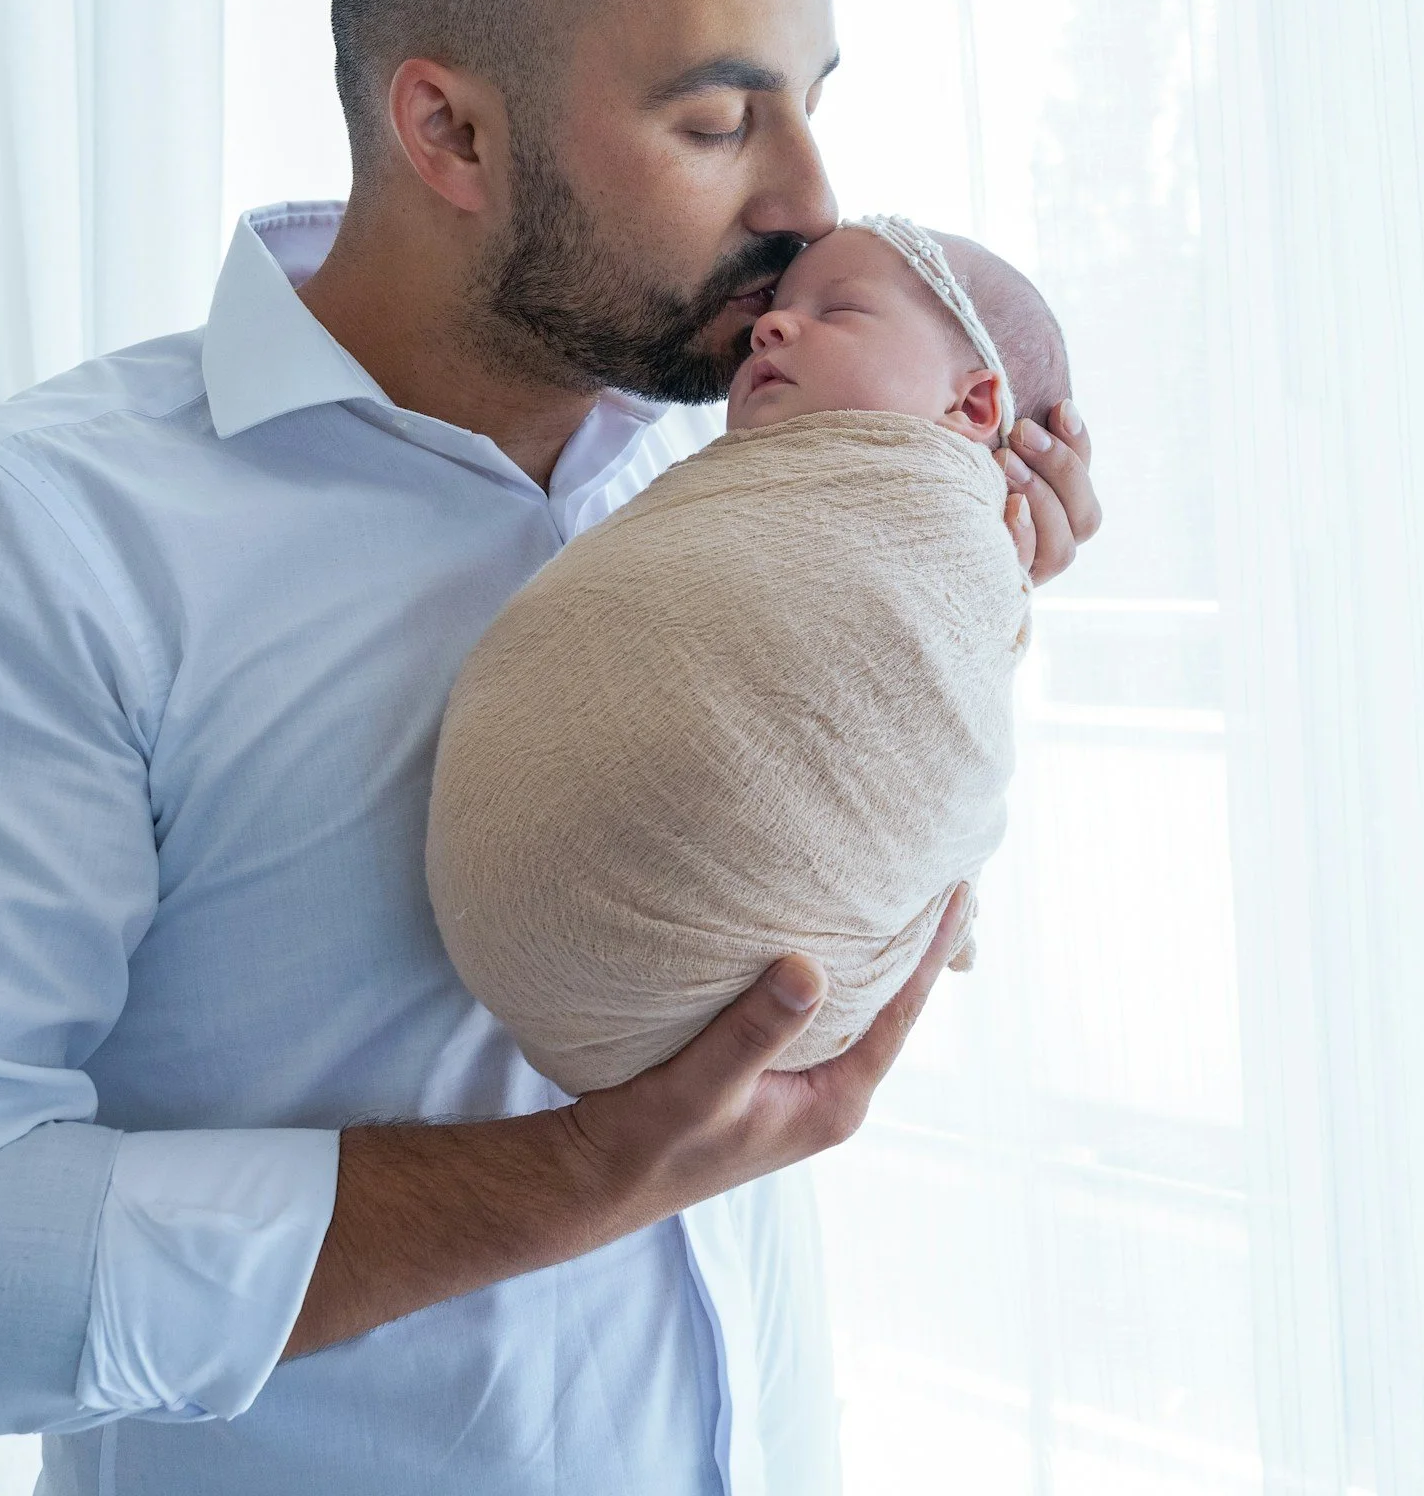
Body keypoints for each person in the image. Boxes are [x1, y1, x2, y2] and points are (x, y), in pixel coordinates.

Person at [0, 0, 1098, 1492]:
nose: (815, 201)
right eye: (718, 114)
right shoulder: (15, 547)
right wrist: (581, 1175)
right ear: (445, 126)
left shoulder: (755, 483)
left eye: (815, 97)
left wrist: (965, 577)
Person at [429, 217, 1070, 1098]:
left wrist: (1002, 581)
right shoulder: (719, 491)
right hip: (527, 952)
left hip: (772, 994)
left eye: (837, 311)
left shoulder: (941, 534)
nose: (770, 326)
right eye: (714, 122)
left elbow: (912, 696)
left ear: (972, 407)